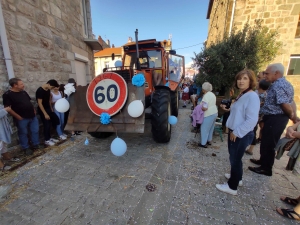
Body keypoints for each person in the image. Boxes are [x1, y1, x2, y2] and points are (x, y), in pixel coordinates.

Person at [216, 69, 260, 195]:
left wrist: (238, 132)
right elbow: (240, 113)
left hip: (240, 134)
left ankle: (232, 186)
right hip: (235, 132)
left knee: (235, 160)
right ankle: (238, 178)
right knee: (236, 158)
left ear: (251, 81)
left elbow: (252, 119)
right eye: (239, 78)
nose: (241, 81)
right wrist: (228, 109)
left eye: (245, 78)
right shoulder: (243, 94)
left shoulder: (252, 96)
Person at [249, 63, 295, 176]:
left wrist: (292, 116)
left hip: (276, 118)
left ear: (276, 73)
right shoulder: (282, 84)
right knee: (265, 141)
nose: (265, 75)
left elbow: (285, 104)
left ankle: (266, 168)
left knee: (269, 143)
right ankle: (263, 161)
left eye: (267, 73)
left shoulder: (279, 85)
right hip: (273, 117)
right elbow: (286, 101)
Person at [3, 78, 42, 155]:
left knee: (35, 130)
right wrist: (17, 116)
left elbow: (29, 102)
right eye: (21, 84)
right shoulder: (7, 95)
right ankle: (26, 148)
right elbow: (7, 108)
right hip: (21, 118)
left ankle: (36, 144)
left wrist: (33, 109)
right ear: (15, 85)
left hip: (32, 116)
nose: (23, 85)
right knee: (23, 133)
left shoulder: (23, 92)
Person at [245, 79, 271, 155]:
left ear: (260, 86)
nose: (256, 84)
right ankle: (250, 148)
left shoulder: (257, 94)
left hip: (254, 115)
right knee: (252, 130)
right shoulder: (266, 94)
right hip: (258, 116)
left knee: (251, 131)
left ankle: (250, 148)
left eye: (258, 83)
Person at [36, 79, 60, 146]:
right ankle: (47, 140)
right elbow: (39, 103)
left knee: (55, 120)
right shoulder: (40, 91)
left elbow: (49, 100)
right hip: (43, 110)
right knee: (46, 125)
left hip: (48, 109)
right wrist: (45, 114)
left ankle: (50, 137)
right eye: (52, 87)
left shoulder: (48, 90)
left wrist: (51, 108)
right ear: (48, 84)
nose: (52, 89)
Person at [198, 82, 218, 148]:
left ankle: (203, 143)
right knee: (211, 128)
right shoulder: (212, 94)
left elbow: (205, 108)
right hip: (215, 112)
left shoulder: (206, 95)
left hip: (209, 114)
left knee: (204, 128)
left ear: (204, 89)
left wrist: (200, 107)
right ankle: (209, 140)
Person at [0, 105, 14, 170]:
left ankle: (6, 156)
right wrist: (5, 110)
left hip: (2, 126)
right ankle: (1, 165)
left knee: (4, 143)